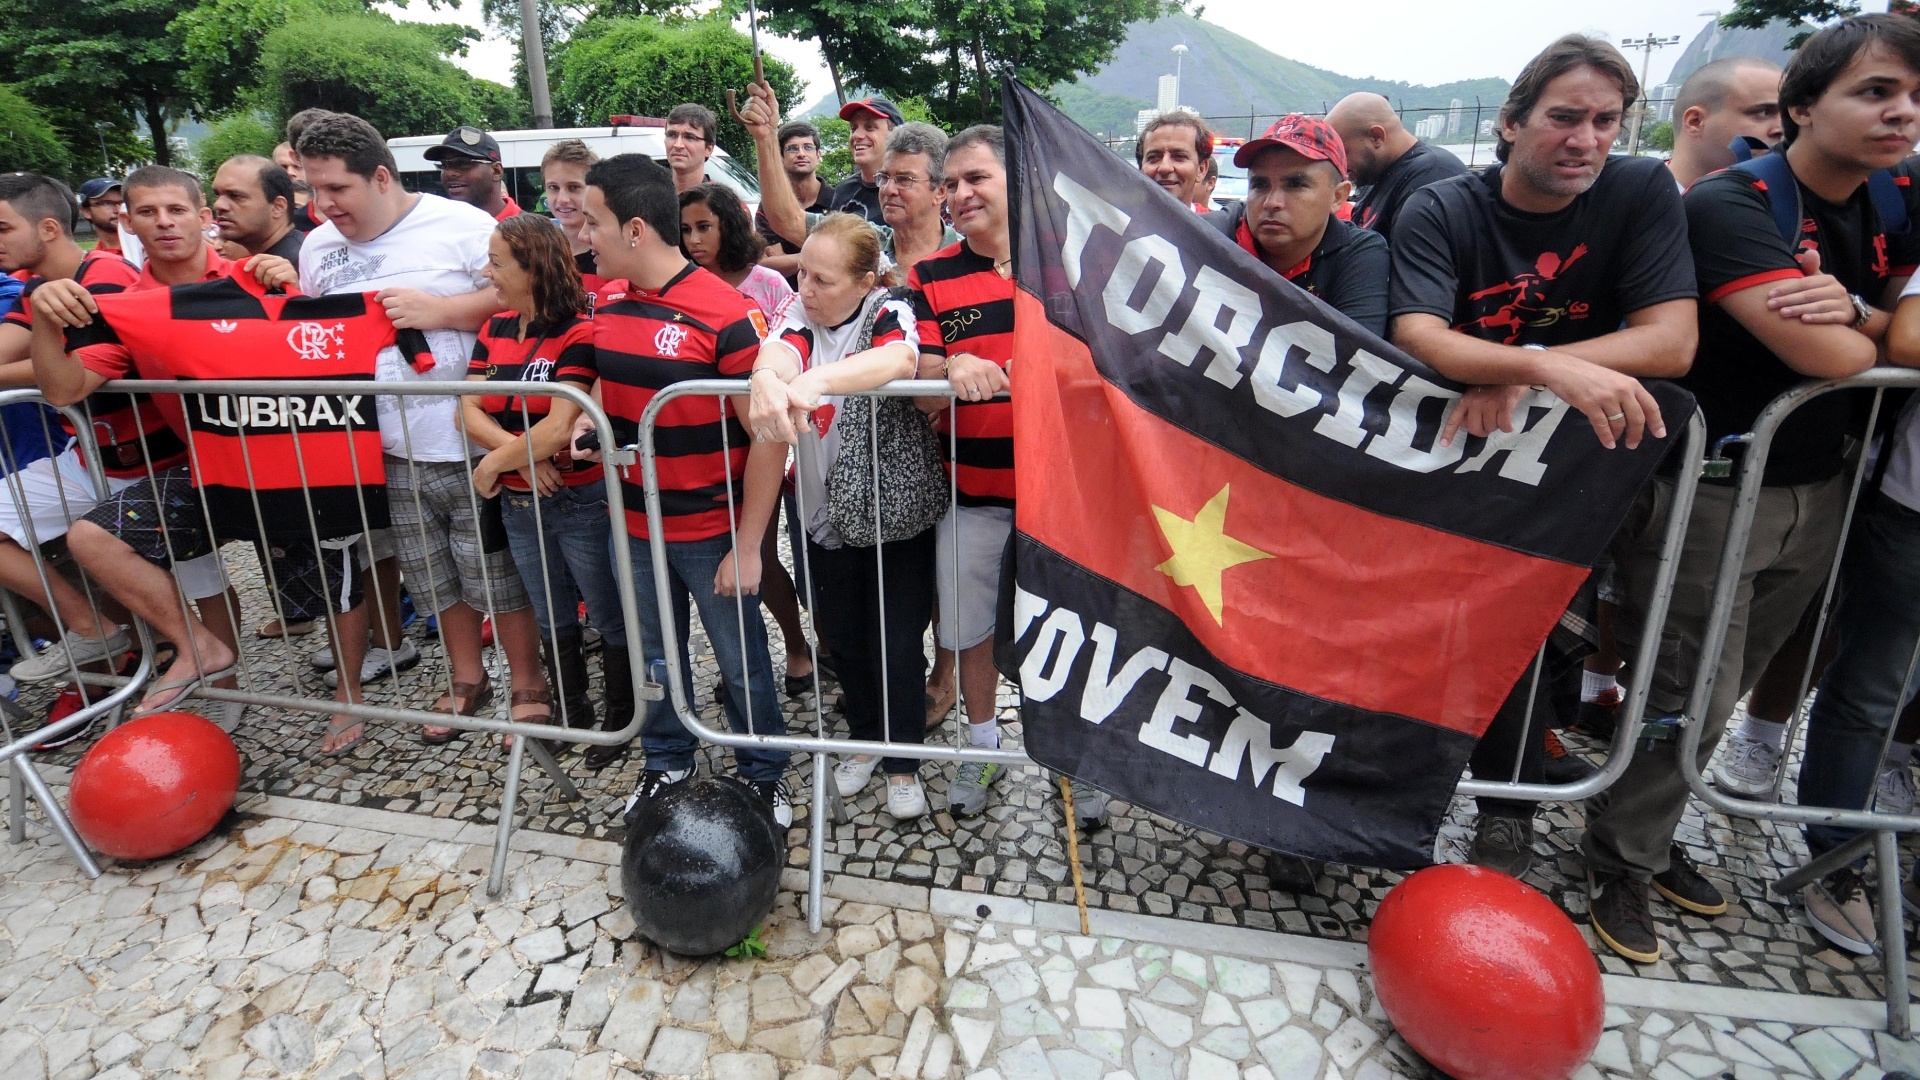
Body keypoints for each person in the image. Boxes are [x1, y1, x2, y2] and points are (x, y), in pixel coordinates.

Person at [1582, 14, 1920, 963]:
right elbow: (1826, 354)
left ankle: (1648, 832)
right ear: (1802, 111)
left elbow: (1881, 336)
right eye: (1876, 91)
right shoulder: (1734, 206)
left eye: (1915, 98)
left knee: (1727, 691)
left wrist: (1861, 310)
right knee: (1692, 678)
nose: (1902, 115)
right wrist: (1879, 327)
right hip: (1719, 484)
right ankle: (1622, 858)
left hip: (1826, 484)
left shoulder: (1899, 194)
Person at [1388, 35, 1699, 888]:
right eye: (1565, 118)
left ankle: (1567, 830)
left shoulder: (1638, 188)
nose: (1587, 139)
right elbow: (1418, 333)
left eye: (1608, 121)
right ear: (1513, 124)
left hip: (1603, 468)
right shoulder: (1444, 206)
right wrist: (1539, 363)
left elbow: (1671, 341)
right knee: (1476, 634)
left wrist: (1527, 373)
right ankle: (1464, 806)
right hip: (1474, 469)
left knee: (1596, 643)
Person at [293, 111, 544, 751]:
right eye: (313, 189)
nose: (323, 205)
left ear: (380, 177)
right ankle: (466, 677)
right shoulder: (319, 248)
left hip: (472, 442)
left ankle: (527, 685)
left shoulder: (462, 225)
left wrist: (442, 311)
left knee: (497, 573)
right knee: (431, 576)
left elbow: (520, 294)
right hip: (384, 450)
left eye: (336, 189)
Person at [578, 152, 792, 826]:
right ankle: (666, 758)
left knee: (741, 660)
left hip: (711, 531)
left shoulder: (727, 315)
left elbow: (769, 437)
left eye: (593, 223)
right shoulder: (606, 298)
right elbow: (598, 385)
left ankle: (763, 773)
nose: (583, 236)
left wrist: (750, 544)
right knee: (653, 654)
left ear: (635, 229)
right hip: (633, 526)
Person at [23, 167, 267, 728]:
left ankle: (348, 701)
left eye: (176, 210)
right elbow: (63, 389)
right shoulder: (125, 309)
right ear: (126, 223)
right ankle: (215, 675)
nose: (164, 223)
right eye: (148, 213)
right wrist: (41, 317)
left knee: (335, 589)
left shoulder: (254, 277)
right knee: (95, 538)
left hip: (290, 467)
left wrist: (288, 284)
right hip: (203, 472)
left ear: (201, 217)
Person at [743, 214, 933, 817]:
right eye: (802, 276)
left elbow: (899, 360)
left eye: (822, 280)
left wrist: (816, 380)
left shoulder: (888, 307)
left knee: (898, 641)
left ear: (863, 281)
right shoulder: (799, 315)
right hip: (823, 511)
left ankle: (903, 760)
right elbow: (778, 350)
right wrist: (767, 379)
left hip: (890, 511)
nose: (806, 291)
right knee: (844, 638)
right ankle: (866, 740)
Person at [467, 213, 633, 765]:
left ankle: (620, 716)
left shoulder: (579, 330)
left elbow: (563, 423)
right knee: (550, 611)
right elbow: (465, 406)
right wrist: (514, 459)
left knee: (607, 610)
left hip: (579, 497)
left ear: (531, 267)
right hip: (521, 497)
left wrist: (494, 466)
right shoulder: (492, 329)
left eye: (496, 262)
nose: (486, 272)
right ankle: (572, 711)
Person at [1202, 116, 1390, 337]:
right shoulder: (1210, 235)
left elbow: (1356, 360)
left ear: (1338, 197)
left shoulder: (1360, 254)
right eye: (1259, 185)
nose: (1272, 202)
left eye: (1295, 185)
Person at [1326, 92, 1470, 239]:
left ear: (1376, 137)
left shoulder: (1433, 175)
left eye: (1343, 153)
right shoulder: (1375, 173)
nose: (1340, 166)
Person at [1665, 58, 1785, 191]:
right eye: (1763, 112)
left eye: (1787, 116)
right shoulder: (1641, 203)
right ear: (1695, 122)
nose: (1781, 129)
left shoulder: (1789, 205)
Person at [680, 184, 793, 318]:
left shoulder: (769, 283)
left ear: (729, 226)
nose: (693, 240)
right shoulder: (679, 285)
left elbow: (796, 335)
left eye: (704, 227)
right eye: (686, 230)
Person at [759, 121, 832, 282]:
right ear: (780, 157)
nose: (801, 154)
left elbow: (846, 257)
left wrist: (787, 259)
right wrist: (822, 255)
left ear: (818, 154)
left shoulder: (838, 199)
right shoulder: (769, 206)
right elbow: (764, 266)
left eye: (807, 147)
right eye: (792, 148)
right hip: (782, 296)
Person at [212, 155, 303, 262]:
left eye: (235, 196)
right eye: (217, 195)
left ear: (278, 207)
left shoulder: (299, 265)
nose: (218, 205)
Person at [831, 97, 904, 224]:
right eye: (853, 128)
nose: (856, 135)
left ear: (895, 135)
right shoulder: (843, 190)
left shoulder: (909, 190)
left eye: (870, 127)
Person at [425, 126, 521, 221]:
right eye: (444, 165)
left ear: (496, 171)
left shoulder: (529, 232)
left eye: (463, 163)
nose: (449, 173)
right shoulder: (439, 227)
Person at [541, 139, 601, 286]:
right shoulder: (540, 256)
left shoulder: (612, 259)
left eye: (573, 187)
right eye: (553, 188)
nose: (562, 199)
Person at [1136, 111, 1212, 210]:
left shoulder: (1215, 225)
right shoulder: (1118, 222)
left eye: (1179, 156)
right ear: (1141, 168)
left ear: (1201, 170)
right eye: (1153, 157)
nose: (1164, 167)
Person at [284, 109, 335, 231]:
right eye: (312, 153)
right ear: (296, 157)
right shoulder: (291, 227)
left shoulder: (371, 217)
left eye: (332, 149)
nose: (324, 159)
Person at [664, 104, 719, 195]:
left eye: (690, 137)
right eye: (672, 135)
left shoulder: (720, 204)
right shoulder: (649, 198)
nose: (678, 145)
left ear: (708, 149)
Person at [76, 179, 125, 259]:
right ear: (87, 212)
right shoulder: (92, 261)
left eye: (123, 202)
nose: (118, 210)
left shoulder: (147, 248)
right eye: (107, 203)